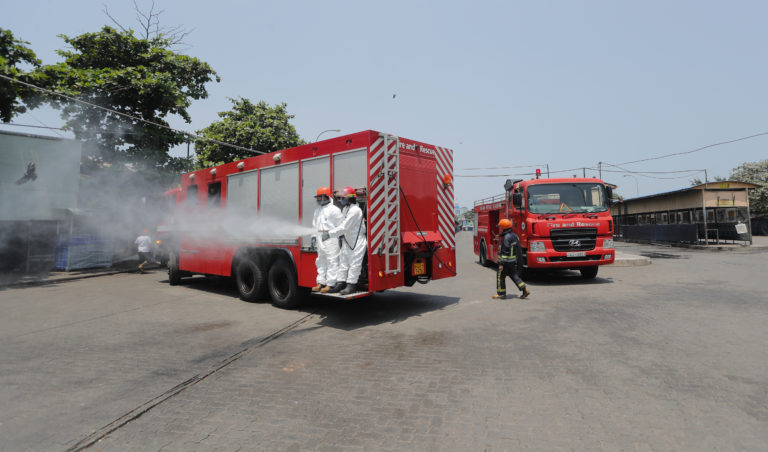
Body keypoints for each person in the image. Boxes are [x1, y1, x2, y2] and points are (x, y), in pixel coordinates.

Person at [327, 186, 367, 295]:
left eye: (343, 198)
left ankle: (351, 286)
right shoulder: (345, 209)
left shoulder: (355, 210)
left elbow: (345, 226)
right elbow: (341, 224)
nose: (341, 200)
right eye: (340, 198)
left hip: (357, 241)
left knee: (354, 264)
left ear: (350, 198)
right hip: (347, 239)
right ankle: (340, 283)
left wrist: (330, 234)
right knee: (343, 262)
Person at [312, 186, 343, 293]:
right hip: (320, 237)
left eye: (321, 197)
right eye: (318, 198)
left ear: (327, 197)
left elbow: (340, 226)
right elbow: (314, 225)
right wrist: (313, 236)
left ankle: (330, 284)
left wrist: (331, 234)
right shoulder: (317, 211)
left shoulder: (335, 210)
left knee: (332, 260)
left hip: (331, 239)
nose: (319, 200)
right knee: (321, 260)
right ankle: (320, 282)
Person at [492, 219, 531, 299]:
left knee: (500, 276)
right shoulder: (514, 235)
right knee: (514, 275)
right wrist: (499, 236)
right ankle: (524, 289)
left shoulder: (506, 238)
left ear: (504, 227)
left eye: (501, 227)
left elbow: (505, 251)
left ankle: (501, 294)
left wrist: (501, 264)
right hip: (512, 261)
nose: (501, 228)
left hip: (505, 262)